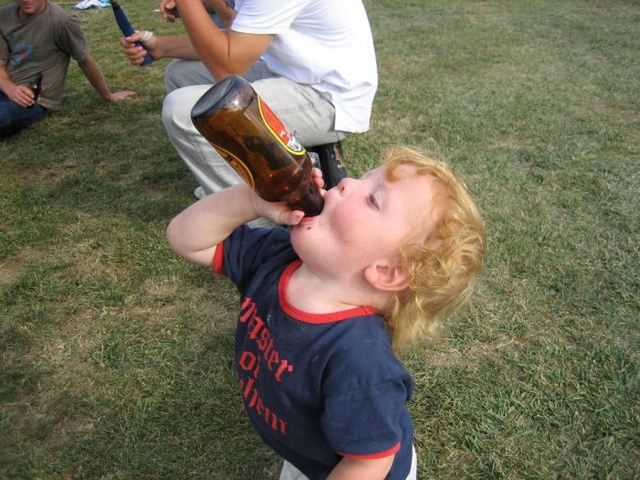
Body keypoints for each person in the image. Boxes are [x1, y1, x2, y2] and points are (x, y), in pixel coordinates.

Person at [166, 146, 486, 479]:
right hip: (309, 452)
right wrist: (250, 201)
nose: (346, 183)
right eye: (362, 178)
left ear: (387, 271)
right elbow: (185, 238)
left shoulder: (361, 361)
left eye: (373, 199)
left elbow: (368, 462)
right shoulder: (276, 256)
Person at [120, 0, 376, 195]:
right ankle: (241, 179)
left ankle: (252, 223)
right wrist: (162, 46)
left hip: (328, 98)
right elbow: (236, 34)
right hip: (292, 71)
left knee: (181, 111)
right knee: (181, 75)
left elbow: (227, 66)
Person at [0, 0, 135, 138]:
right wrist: (10, 88)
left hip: (32, 99)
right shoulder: (4, 16)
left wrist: (108, 95)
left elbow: (84, 60)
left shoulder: (62, 21)